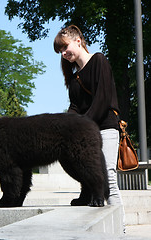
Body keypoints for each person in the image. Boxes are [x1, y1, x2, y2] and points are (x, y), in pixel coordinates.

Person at [53, 25, 124, 209]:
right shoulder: (74, 78)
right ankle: (86, 195)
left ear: (78, 41)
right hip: (87, 132)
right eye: (60, 51)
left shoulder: (99, 60)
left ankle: (120, 230)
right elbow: (75, 107)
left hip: (106, 127)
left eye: (64, 47)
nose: (63, 53)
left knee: (108, 178)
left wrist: (81, 126)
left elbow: (102, 99)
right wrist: (64, 126)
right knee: (83, 170)